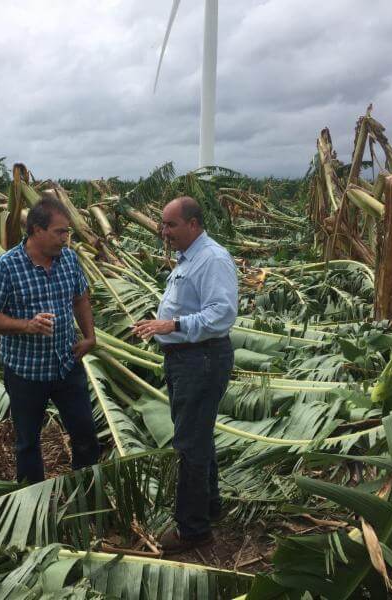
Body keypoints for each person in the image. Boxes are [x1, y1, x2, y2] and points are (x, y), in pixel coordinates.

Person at [132, 196, 238, 554]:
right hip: (186, 358)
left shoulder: (212, 259)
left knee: (189, 443)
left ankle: (193, 530)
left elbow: (222, 314)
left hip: (200, 359)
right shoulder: (189, 258)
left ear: (193, 224)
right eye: (163, 224)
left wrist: (173, 324)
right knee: (198, 436)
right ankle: (209, 505)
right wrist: (160, 325)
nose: (164, 231)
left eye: (170, 225)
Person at [0, 196, 100, 484]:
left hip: (66, 364)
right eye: (60, 231)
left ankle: (86, 493)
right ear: (36, 230)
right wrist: (26, 325)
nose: (65, 238)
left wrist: (90, 337)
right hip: (26, 373)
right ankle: (34, 499)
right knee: (28, 443)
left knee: (85, 434)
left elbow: (80, 298)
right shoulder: (6, 267)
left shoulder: (68, 259)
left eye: (67, 231)